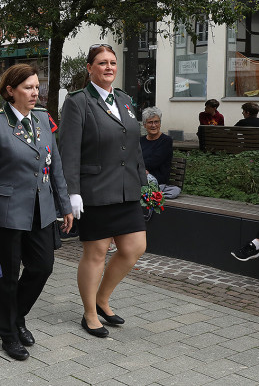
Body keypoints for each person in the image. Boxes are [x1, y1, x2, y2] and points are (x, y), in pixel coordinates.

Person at [0, 64, 74, 361]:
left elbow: (55, 166)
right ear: (10, 91)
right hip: (6, 213)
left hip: (40, 210)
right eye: (28, 87)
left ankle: (17, 316)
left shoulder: (43, 118)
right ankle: (8, 333)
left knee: (42, 267)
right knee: (6, 276)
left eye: (36, 86)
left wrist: (64, 205)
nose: (35, 92)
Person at [59, 44, 148, 338]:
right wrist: (72, 193)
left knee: (134, 248)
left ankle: (102, 299)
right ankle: (89, 313)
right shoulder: (78, 102)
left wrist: (143, 181)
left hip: (127, 190)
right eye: (102, 63)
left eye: (112, 62)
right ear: (89, 68)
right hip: (95, 189)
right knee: (96, 253)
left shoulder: (123, 99)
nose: (109, 67)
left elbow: (134, 144)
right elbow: (68, 150)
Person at [140, 107, 181, 199]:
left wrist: (139, 168)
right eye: (150, 122)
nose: (154, 125)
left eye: (156, 122)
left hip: (157, 180)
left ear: (160, 123)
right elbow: (133, 158)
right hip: (141, 178)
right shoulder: (140, 141)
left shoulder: (166, 141)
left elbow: (153, 162)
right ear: (144, 125)